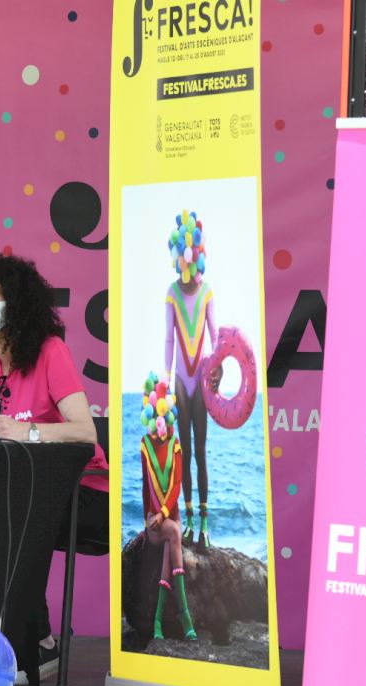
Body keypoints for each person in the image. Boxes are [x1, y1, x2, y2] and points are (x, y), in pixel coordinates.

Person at [0, 252, 108, 685]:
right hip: (19, 492)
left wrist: (25, 431)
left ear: (15, 304)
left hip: (83, 492)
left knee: (12, 516)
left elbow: (85, 431)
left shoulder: (50, 352)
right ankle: (28, 642)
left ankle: (24, 645)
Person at [165, 211, 219, 547]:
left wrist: (219, 368)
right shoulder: (171, 292)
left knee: (200, 450)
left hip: (200, 381)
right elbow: (169, 340)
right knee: (183, 452)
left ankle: (204, 524)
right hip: (180, 384)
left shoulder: (207, 291)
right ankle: (186, 520)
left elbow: (215, 336)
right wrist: (167, 378)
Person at [138, 372, 195, 640]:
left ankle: (158, 619)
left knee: (171, 541)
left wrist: (163, 514)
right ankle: (184, 615)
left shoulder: (175, 444)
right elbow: (145, 485)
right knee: (172, 535)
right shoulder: (145, 444)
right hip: (155, 522)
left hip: (170, 517)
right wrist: (147, 520)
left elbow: (177, 484)